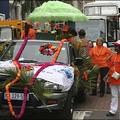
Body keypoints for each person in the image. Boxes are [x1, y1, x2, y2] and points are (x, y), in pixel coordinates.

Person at [105, 40, 120, 116]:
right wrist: (107, 76)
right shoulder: (113, 55)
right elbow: (110, 66)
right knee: (114, 96)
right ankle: (112, 111)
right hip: (113, 79)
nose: (115, 47)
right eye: (115, 46)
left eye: (117, 46)